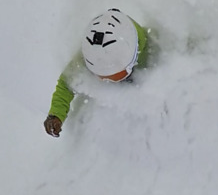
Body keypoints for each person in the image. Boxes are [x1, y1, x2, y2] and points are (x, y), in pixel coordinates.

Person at [44, 8, 149, 137]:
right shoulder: (91, 53)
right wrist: (56, 114)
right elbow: (66, 82)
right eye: (102, 76)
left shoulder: (152, 50)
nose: (107, 82)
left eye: (114, 76)